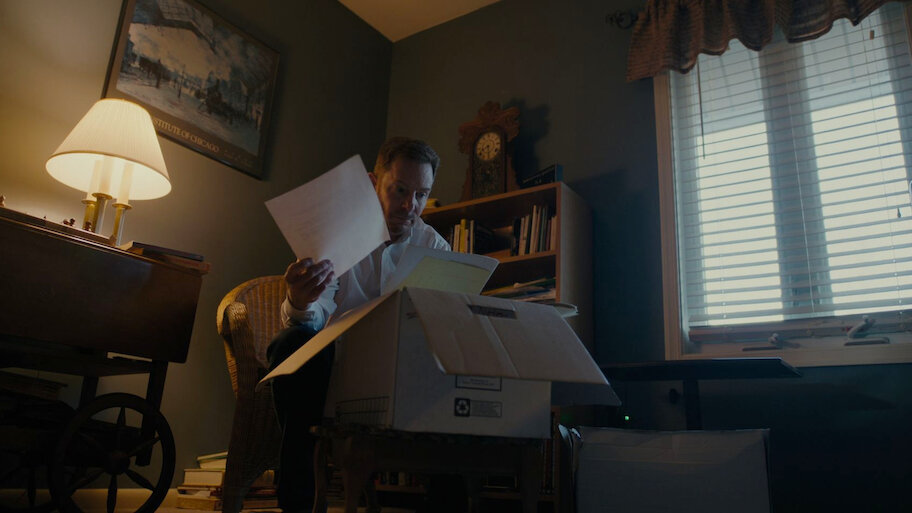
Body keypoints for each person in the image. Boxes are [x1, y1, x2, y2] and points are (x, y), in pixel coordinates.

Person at [266, 137, 449, 512]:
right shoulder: (334, 233)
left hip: (401, 373)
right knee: (290, 344)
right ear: (372, 183)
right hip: (337, 369)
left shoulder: (435, 248)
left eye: (421, 195)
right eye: (400, 190)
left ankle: (447, 502)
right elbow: (315, 316)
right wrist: (301, 300)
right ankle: (297, 503)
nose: (409, 206)